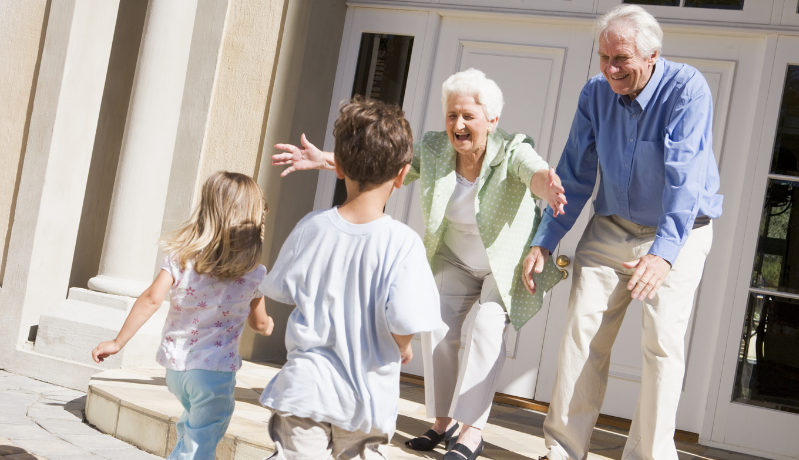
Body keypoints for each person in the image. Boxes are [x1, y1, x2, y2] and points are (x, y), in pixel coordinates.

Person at [272, 69, 566, 460]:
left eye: (468, 117)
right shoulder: (434, 148)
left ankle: (471, 430)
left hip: (502, 262)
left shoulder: (512, 150)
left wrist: (548, 185)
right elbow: (384, 165)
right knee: (438, 328)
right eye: (451, 116)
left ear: (492, 121)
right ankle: (442, 422)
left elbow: (534, 173)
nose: (457, 125)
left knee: (487, 328)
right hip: (455, 257)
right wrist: (327, 160)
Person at [521, 5, 722, 460]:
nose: (611, 69)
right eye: (604, 57)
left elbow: (684, 177)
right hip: (611, 227)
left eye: (622, 59)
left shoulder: (686, 89)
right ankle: (563, 451)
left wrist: (664, 253)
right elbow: (573, 172)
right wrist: (546, 238)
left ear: (652, 55)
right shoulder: (595, 93)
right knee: (581, 335)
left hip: (681, 230)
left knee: (661, 345)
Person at [258, 97, 443, 459]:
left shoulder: (311, 227)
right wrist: (403, 345)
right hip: (366, 396)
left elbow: (280, 288)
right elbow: (404, 320)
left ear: (337, 166)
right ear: (404, 174)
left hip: (305, 388)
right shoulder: (404, 243)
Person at [91, 171, 274, 460]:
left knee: (193, 427)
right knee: (203, 440)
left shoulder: (181, 257)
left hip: (177, 369)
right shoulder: (254, 273)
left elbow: (151, 299)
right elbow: (260, 322)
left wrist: (117, 342)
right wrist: (268, 327)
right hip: (214, 374)